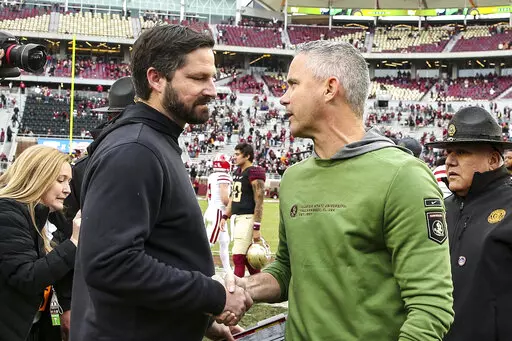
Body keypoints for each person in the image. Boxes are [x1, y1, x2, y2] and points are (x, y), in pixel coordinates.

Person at [225, 40, 454, 340]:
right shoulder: (294, 178)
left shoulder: (404, 176)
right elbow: (286, 269)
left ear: (330, 88)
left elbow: (431, 305)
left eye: (293, 84)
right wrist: (246, 288)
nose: (283, 98)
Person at [70, 25, 250, 341]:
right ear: (156, 79)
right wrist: (212, 295)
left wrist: (204, 321)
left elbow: (161, 250)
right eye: (198, 78)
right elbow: (111, 263)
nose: (212, 90)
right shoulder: (135, 149)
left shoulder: (152, 141)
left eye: (212, 77)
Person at [48, 76, 137, 341]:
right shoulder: (83, 170)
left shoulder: (152, 159)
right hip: (93, 298)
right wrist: (66, 302)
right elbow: (65, 240)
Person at [426, 106, 512, 341]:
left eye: (462, 152)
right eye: (449, 152)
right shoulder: (443, 207)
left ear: (494, 159)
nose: (450, 161)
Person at [0, 145, 80, 341]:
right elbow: (28, 277)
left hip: (37, 324)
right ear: (37, 176)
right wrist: (75, 242)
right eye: (60, 180)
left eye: (69, 181)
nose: (67, 189)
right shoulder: (7, 213)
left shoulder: (46, 215)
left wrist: (61, 311)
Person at [220, 142, 266, 278]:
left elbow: (259, 202)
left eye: (237, 154)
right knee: (246, 259)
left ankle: (236, 290)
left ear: (247, 156)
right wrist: (225, 216)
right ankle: (259, 287)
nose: (235, 157)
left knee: (238, 257)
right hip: (237, 218)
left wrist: (256, 227)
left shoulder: (254, 172)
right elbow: (233, 197)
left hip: (247, 218)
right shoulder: (237, 173)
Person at [204, 153, 233, 273]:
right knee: (208, 243)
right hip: (218, 213)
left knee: (224, 241)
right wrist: (233, 207)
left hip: (212, 210)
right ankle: (198, 268)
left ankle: (227, 270)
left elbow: (207, 196)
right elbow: (224, 198)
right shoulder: (223, 176)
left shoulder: (212, 176)